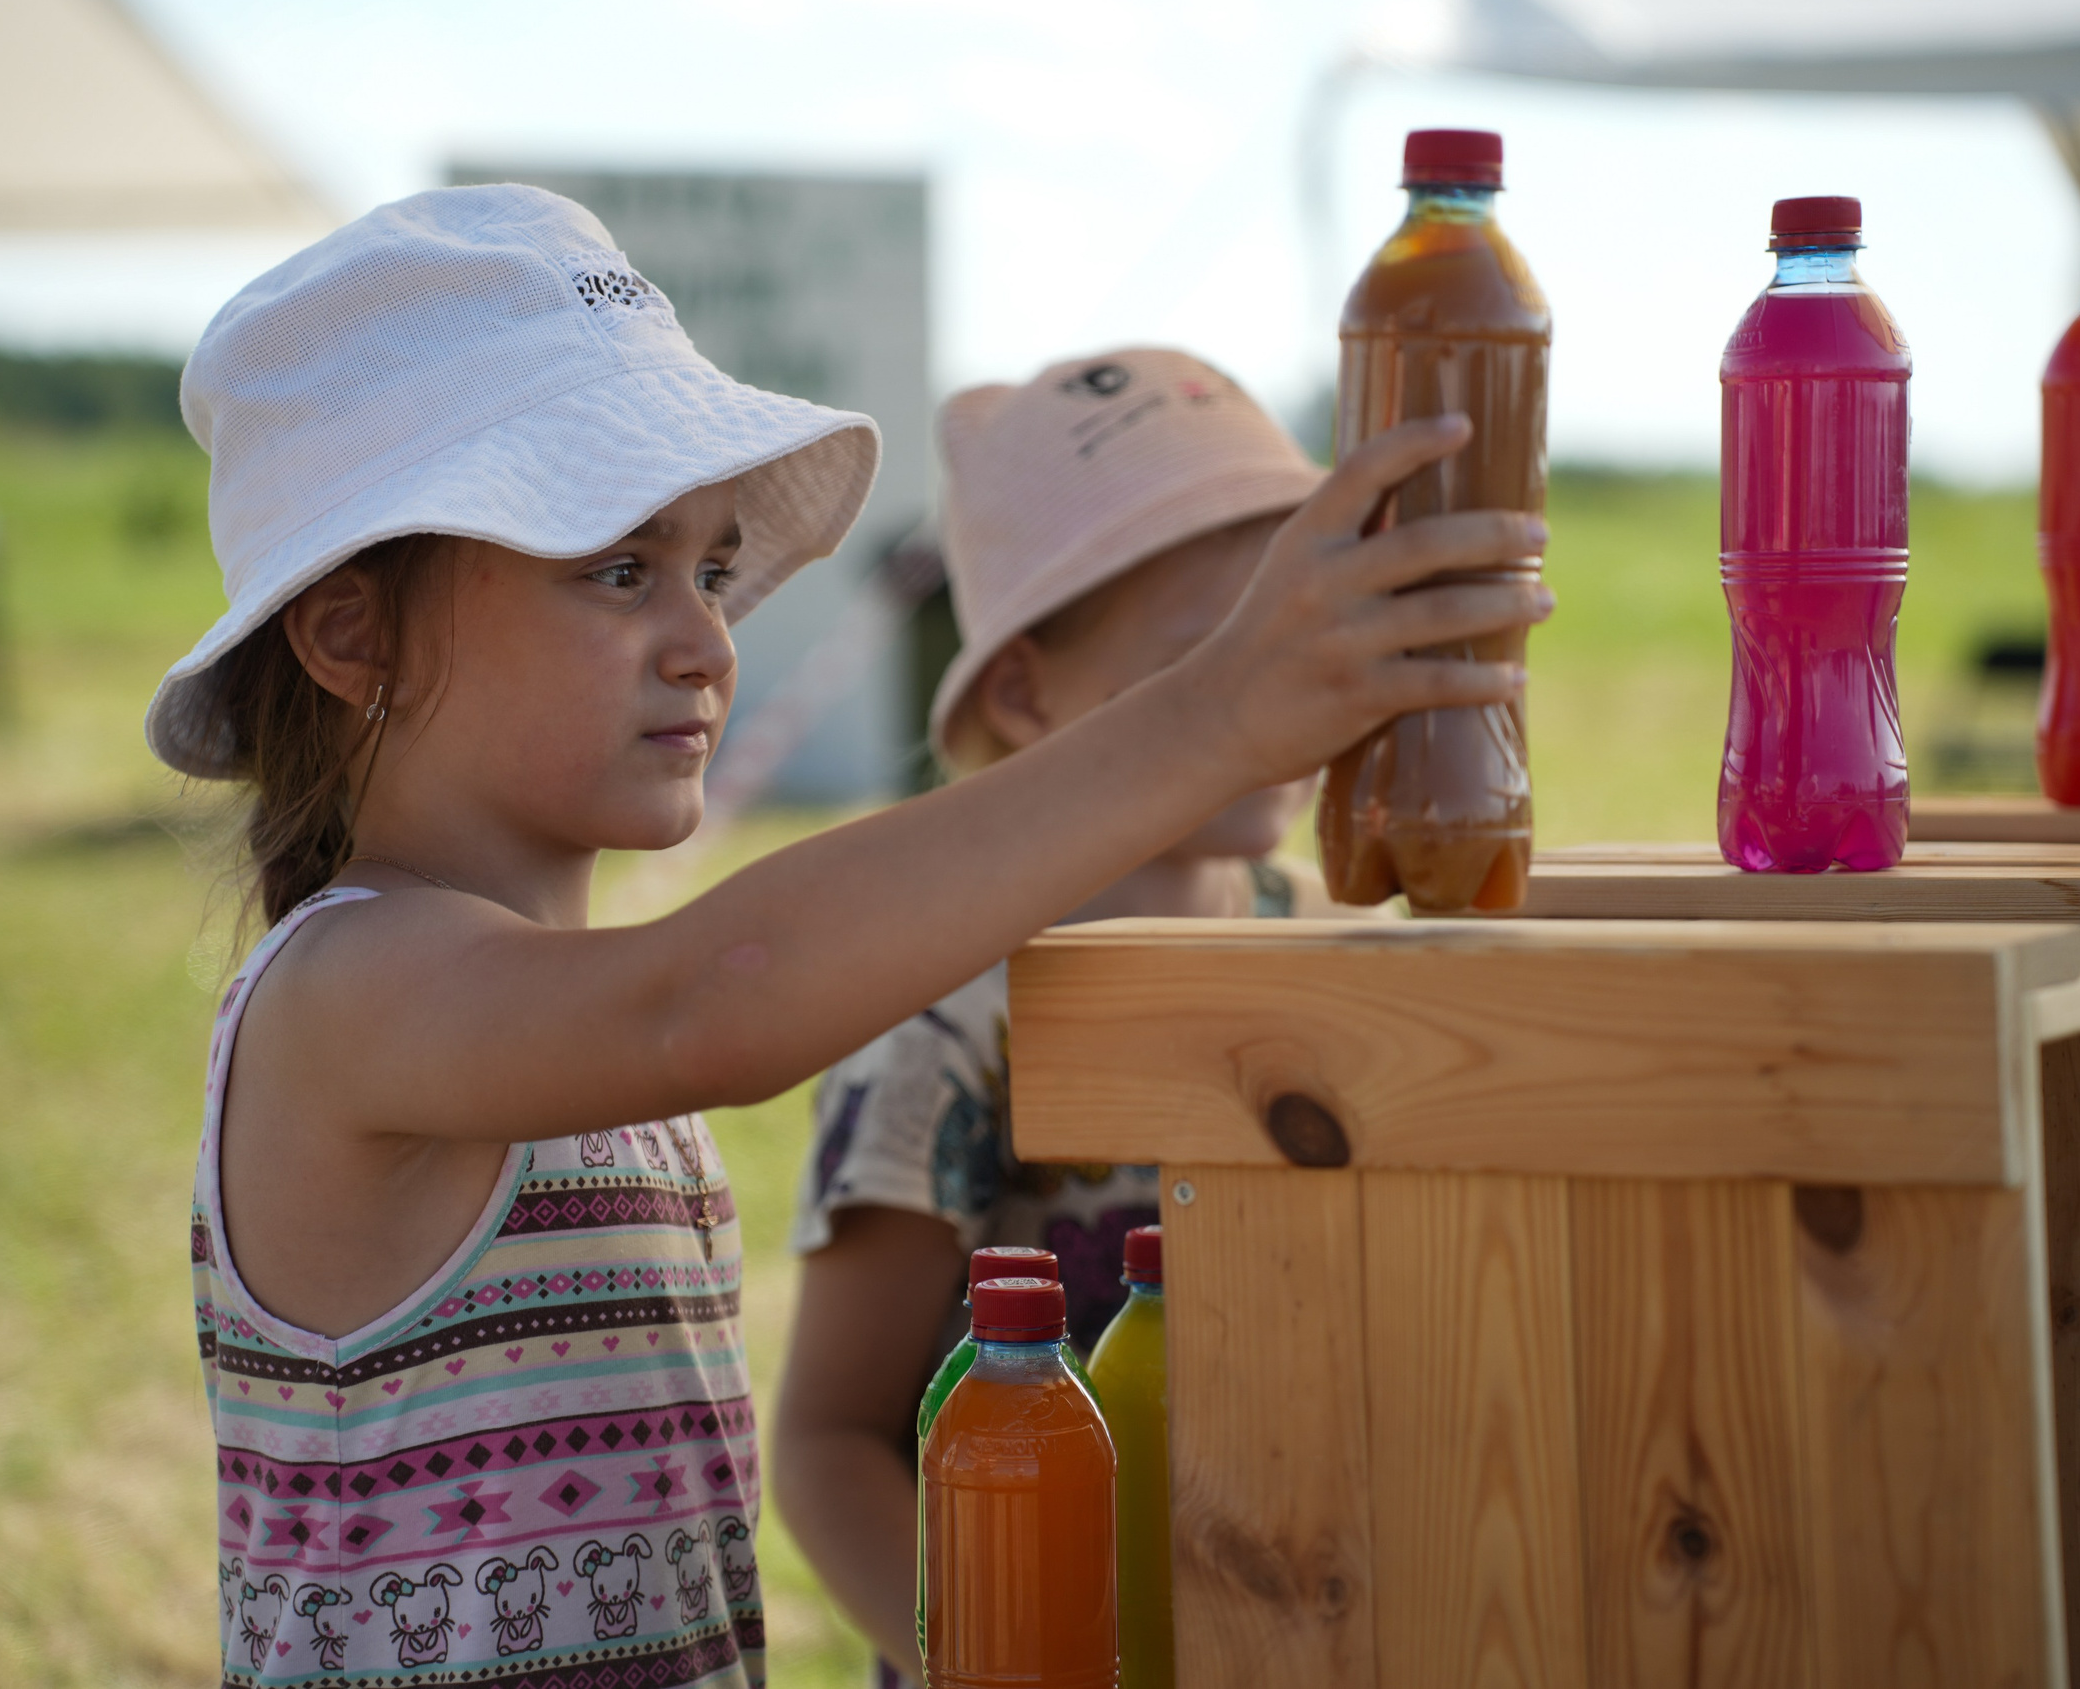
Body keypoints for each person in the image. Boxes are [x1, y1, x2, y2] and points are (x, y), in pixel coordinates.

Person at [168, 186, 1549, 1689]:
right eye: (618, 570)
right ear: (350, 633)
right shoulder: (350, 990)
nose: (707, 639)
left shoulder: (545, 1012)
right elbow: (719, 992)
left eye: (709, 568)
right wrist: (1219, 713)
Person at [771, 349, 1363, 1682]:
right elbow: (828, 1443)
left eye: (1299, 631)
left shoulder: (1331, 956)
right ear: (1027, 692)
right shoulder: (942, 1026)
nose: (1276, 691)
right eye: (1213, 655)